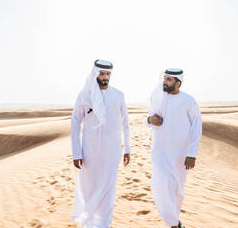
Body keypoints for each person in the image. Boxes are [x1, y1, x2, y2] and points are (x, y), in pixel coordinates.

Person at [70, 59, 131, 228]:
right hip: (89, 150)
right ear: (95, 74)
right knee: (90, 187)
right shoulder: (84, 95)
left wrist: (128, 148)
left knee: (108, 188)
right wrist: (76, 153)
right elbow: (75, 122)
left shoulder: (118, 95)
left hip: (112, 149)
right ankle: (90, 223)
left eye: (108, 74)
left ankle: (104, 224)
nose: (105, 77)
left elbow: (125, 123)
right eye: (102, 74)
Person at [146, 68, 202, 228]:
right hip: (159, 152)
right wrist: (150, 119)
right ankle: (173, 222)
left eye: (169, 79)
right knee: (160, 187)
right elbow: (148, 118)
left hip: (180, 154)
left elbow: (196, 128)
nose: (165, 82)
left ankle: (173, 222)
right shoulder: (158, 99)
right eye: (164, 78)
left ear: (179, 83)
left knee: (177, 189)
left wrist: (192, 153)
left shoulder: (189, 101)